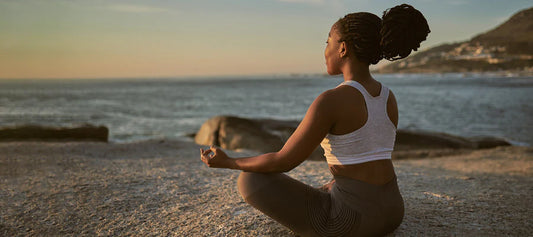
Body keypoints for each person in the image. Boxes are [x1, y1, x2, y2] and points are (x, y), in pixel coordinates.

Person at [200, 4, 430, 236]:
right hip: (392, 211)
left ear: (342, 48)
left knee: (249, 179)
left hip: (354, 221)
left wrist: (228, 161)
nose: (325, 50)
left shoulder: (331, 100)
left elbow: (283, 161)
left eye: (327, 41)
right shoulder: (388, 96)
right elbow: (368, 155)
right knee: (330, 187)